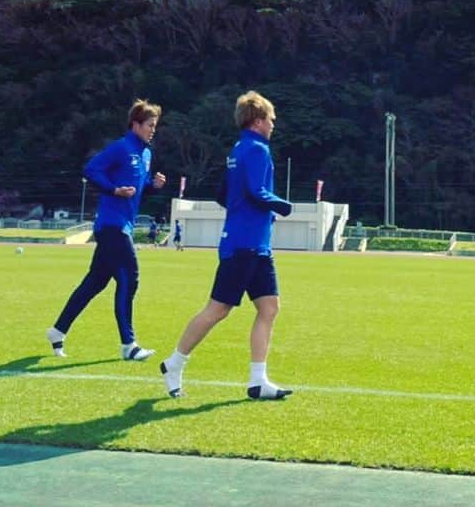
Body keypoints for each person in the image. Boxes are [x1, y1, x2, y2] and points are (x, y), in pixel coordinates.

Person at [160, 90, 292, 400]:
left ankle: (258, 380)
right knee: (218, 310)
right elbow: (257, 191)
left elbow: (224, 193)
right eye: (271, 120)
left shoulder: (237, 150)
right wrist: (284, 207)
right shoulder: (257, 150)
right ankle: (174, 363)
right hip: (245, 244)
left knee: (269, 307)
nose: (274, 125)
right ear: (258, 120)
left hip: (254, 244)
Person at [46, 100, 166, 361]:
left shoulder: (145, 154)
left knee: (94, 283)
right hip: (112, 226)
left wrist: (152, 184)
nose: (153, 130)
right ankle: (129, 345)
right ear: (135, 125)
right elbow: (91, 169)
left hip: (123, 225)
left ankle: (57, 331)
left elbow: (138, 184)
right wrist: (113, 190)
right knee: (130, 279)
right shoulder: (121, 148)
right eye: (149, 125)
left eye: (155, 126)